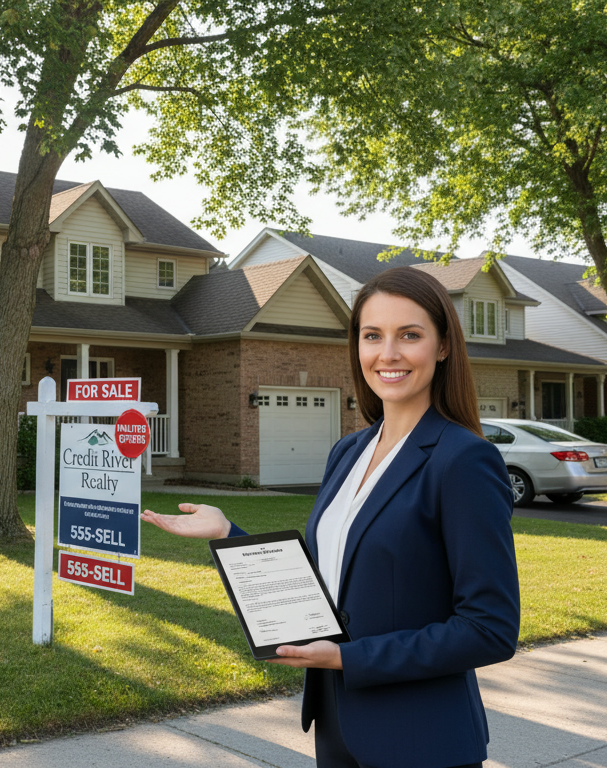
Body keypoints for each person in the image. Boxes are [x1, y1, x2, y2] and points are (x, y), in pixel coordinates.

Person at [143, 266, 520, 768]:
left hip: (421, 741)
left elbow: (489, 628)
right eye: (372, 336)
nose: (388, 353)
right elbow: (331, 578)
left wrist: (347, 657)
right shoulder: (349, 451)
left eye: (409, 335)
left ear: (444, 346)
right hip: (338, 727)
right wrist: (228, 532)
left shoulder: (463, 460)